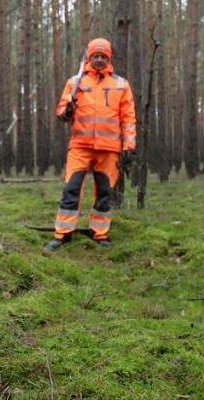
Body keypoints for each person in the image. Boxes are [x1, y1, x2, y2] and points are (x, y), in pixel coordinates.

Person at [47, 38, 137, 252]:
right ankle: (63, 233)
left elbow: (129, 118)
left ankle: (100, 233)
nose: (98, 60)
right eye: (95, 56)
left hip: (109, 148)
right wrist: (67, 111)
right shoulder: (76, 82)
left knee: (104, 192)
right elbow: (61, 111)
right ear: (88, 58)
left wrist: (129, 145)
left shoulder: (121, 84)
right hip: (80, 146)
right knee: (71, 189)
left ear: (108, 58)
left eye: (102, 56)